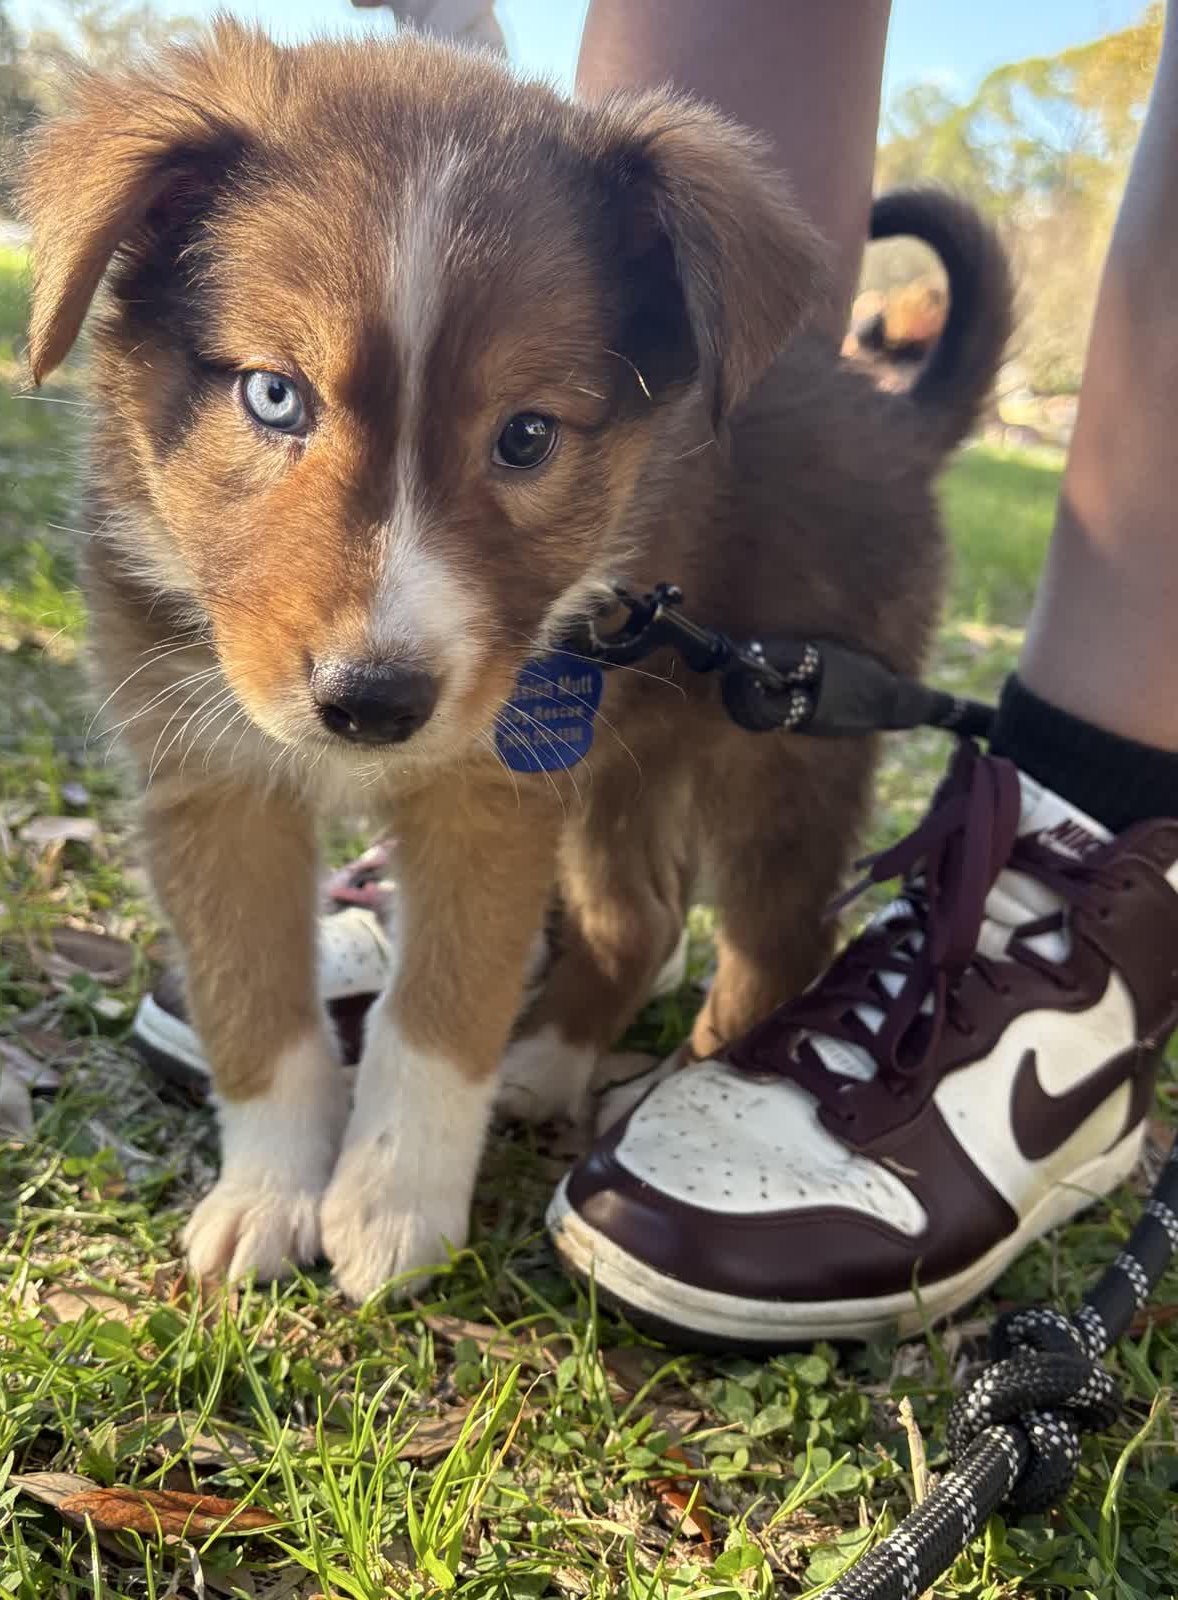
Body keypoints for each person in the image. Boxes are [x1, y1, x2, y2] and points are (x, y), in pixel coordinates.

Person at [135, 0, 1178, 1343]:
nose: (375, 612)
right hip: (661, 488)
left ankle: (911, 950)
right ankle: (568, 997)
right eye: (275, 398)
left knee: (767, 821)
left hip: (812, 535)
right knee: (569, 780)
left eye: (522, 437)